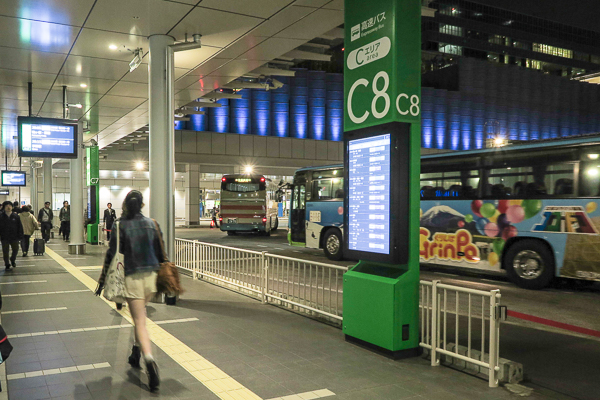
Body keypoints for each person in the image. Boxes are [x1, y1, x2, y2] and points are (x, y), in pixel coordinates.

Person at [95, 190, 163, 392]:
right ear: (142, 205)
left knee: (140, 321)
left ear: (125, 204)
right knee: (140, 317)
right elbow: (160, 252)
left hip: (132, 276)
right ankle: (135, 351)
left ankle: (149, 360)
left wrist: (101, 279)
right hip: (151, 277)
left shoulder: (120, 224)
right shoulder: (152, 223)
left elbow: (112, 253)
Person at [0, 201, 24, 270]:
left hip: (14, 237)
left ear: (12, 207)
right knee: (5, 251)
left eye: (10, 205)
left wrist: (20, 235)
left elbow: (20, 226)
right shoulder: (1, 216)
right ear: (4, 207)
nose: (8, 207)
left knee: (15, 249)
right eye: (6, 205)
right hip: (4, 237)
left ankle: (12, 259)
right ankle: (7, 264)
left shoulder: (16, 216)